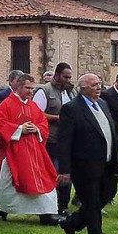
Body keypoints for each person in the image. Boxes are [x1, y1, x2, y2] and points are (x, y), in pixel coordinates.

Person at [57, 74, 118, 234]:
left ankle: (71, 223)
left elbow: (109, 134)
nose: (98, 88)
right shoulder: (72, 109)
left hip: (107, 164)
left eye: (99, 84)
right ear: (83, 88)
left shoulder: (103, 105)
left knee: (104, 197)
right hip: (84, 166)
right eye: (94, 85)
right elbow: (65, 141)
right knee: (92, 203)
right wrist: (65, 170)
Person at [0, 73, 60, 224]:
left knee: (43, 178)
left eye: (32, 88)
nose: (31, 91)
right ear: (18, 87)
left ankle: (45, 212)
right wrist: (19, 129)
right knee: (9, 181)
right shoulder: (7, 104)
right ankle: (3, 209)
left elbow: (43, 123)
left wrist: (36, 128)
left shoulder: (33, 106)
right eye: (27, 88)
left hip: (35, 152)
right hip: (14, 151)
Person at [33, 62, 77, 215]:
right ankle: (51, 206)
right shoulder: (44, 91)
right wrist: (57, 118)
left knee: (67, 173)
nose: (68, 80)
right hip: (51, 140)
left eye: (70, 77)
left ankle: (63, 206)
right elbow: (36, 114)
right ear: (57, 75)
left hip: (68, 140)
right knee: (53, 174)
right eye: (65, 77)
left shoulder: (71, 93)